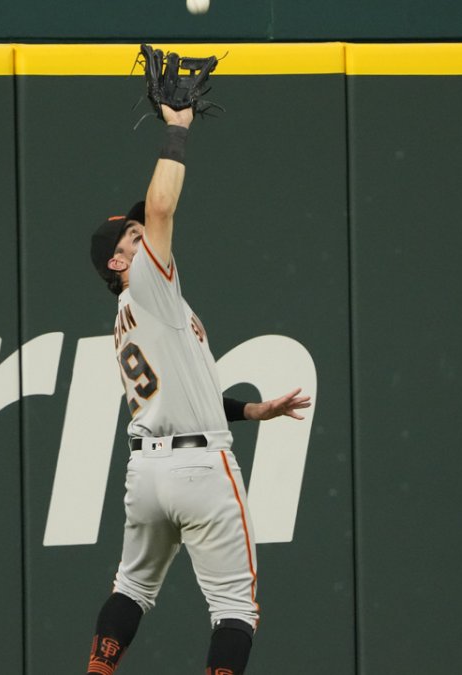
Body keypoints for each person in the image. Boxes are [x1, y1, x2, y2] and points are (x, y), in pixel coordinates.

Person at [84, 104, 311, 675]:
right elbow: (161, 203)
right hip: (201, 468)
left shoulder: (132, 316)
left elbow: (182, 393)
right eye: (134, 238)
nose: (146, 235)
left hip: (147, 475)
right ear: (118, 262)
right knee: (235, 608)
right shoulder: (147, 285)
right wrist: (177, 129)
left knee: (131, 587)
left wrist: (249, 409)